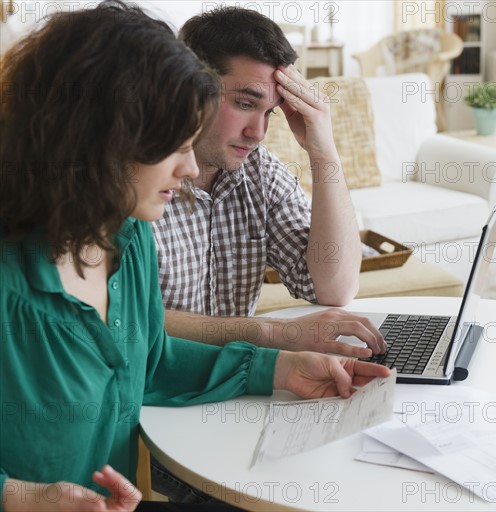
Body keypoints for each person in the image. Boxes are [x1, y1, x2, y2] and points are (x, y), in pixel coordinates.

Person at [0, 2, 391, 510]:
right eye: (173, 144)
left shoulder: (129, 238)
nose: (188, 168)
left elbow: (154, 361)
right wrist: (21, 497)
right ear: (103, 135)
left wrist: (282, 368)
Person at [151, 6, 388, 359]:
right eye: (246, 103)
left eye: (270, 113)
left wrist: (323, 152)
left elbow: (335, 289)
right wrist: (274, 333)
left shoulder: (259, 171)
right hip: (157, 394)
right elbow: (127, 323)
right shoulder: (139, 182)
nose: (258, 133)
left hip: (238, 386)